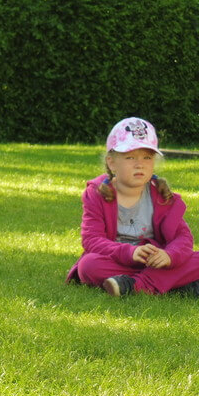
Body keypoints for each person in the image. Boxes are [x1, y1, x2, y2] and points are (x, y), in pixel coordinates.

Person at [66, 117, 199, 296]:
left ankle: (132, 285)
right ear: (112, 163)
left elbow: (183, 237)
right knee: (88, 266)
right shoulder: (97, 193)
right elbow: (92, 239)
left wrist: (169, 256)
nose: (139, 164)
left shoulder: (162, 195)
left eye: (147, 157)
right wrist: (130, 252)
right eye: (130, 157)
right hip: (118, 260)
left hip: (155, 261)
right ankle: (173, 283)